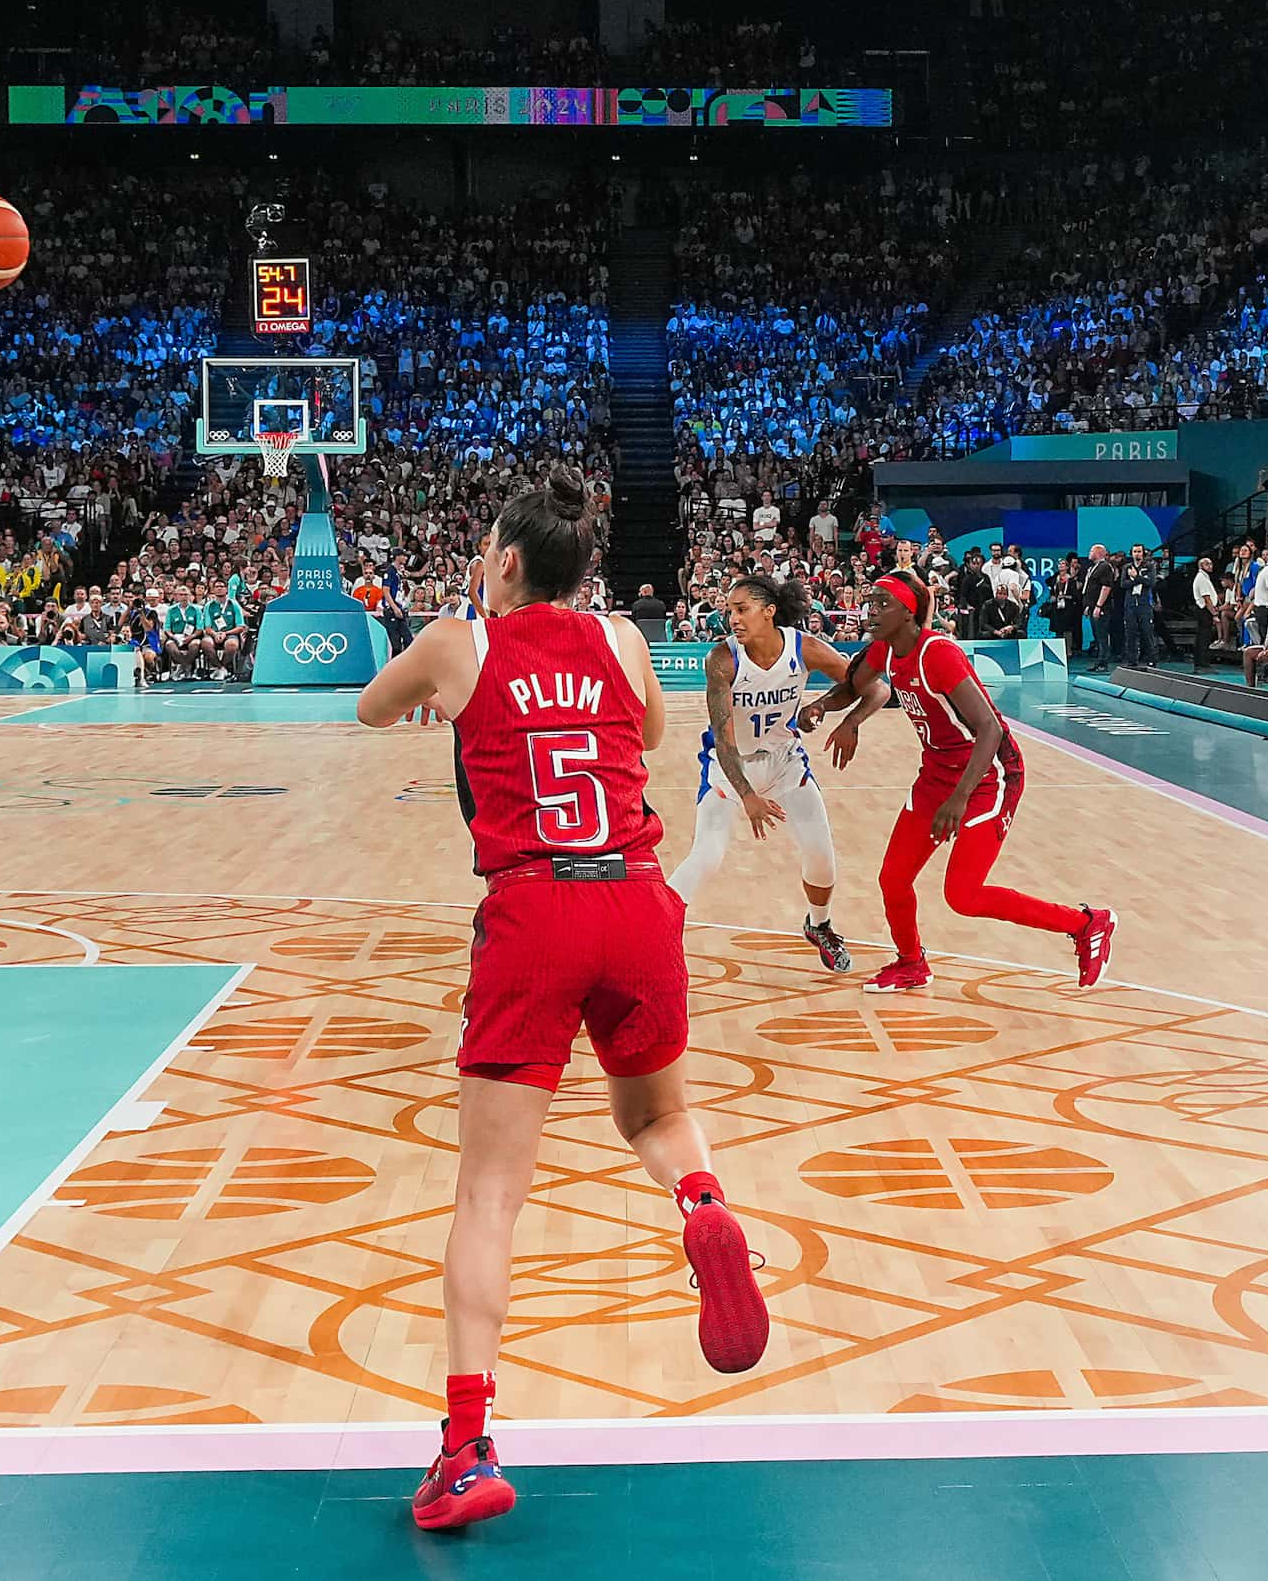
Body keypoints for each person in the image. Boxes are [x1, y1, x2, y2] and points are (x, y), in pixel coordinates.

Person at [354, 472, 768, 1536]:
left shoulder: (460, 643)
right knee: (658, 1117)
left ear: (499, 559)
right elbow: (656, 737)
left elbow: (369, 707)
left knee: (488, 1193)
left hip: (534, 912)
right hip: (635, 901)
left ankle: (466, 1443)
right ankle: (703, 1205)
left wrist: (461, 629)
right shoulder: (623, 639)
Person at [795, 570, 1115, 995]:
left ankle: (1086, 924)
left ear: (909, 614)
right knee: (893, 878)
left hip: (988, 776)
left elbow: (990, 729)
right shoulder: (884, 650)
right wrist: (823, 708)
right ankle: (911, 963)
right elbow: (852, 687)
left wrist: (960, 798)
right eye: (869, 602)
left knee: (963, 895)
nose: (870, 611)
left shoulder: (938, 655)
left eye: (881, 604)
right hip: (937, 775)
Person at [666, 574, 856, 972]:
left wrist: (826, 709)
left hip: (785, 762)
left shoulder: (806, 648)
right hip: (729, 767)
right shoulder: (723, 658)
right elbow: (723, 737)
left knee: (821, 857)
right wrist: (748, 795)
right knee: (707, 856)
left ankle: (818, 926)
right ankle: (651, 934)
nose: (732, 618)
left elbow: (863, 685)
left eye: (741, 609)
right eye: (729, 610)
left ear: (768, 612)